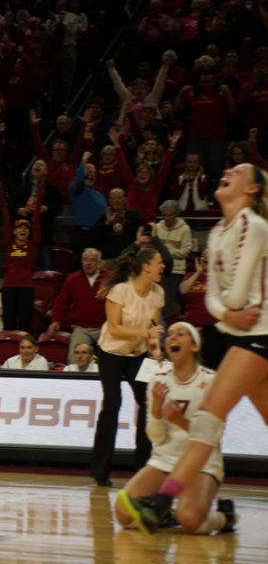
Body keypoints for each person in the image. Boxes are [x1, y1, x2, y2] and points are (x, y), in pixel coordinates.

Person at [118, 163, 268, 534]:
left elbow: (231, 296)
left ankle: (163, 501)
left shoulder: (255, 226)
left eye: (238, 170)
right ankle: (165, 501)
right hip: (244, 332)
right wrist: (230, 315)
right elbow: (215, 302)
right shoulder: (217, 232)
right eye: (228, 168)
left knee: (208, 416)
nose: (228, 170)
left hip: (261, 334)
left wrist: (228, 312)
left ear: (251, 190)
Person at [114, 322, 236, 535]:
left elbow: (215, 435)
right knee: (123, 515)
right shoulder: (158, 380)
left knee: (189, 520)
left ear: (195, 346)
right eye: (169, 334)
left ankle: (223, 517)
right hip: (166, 458)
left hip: (203, 463)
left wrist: (180, 421)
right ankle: (164, 515)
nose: (172, 338)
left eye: (181, 334)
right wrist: (157, 411)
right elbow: (155, 436)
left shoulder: (211, 380)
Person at [91, 247, 165, 487]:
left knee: (148, 402)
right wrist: (144, 332)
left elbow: (153, 331)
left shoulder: (158, 293)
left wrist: (156, 354)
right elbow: (114, 328)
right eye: (159, 262)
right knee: (113, 403)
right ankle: (100, 470)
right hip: (111, 352)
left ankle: (142, 467)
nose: (163, 267)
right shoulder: (120, 290)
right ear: (146, 266)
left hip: (138, 354)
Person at [0, 180, 43, 332]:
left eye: (26, 228)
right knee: (8, 321)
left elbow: (36, 219)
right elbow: (5, 217)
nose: (23, 230)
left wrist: (40, 192)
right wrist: (1, 194)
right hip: (9, 287)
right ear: (14, 230)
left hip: (26, 287)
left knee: (25, 322)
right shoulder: (8, 243)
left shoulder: (33, 245)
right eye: (19, 227)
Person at [48, 248, 108, 358]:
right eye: (85, 260)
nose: (88, 263)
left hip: (105, 327)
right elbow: (61, 301)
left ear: (100, 263)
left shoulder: (110, 278)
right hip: (82, 328)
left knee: (111, 359)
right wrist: (56, 320)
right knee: (74, 359)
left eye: (92, 260)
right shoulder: (73, 279)